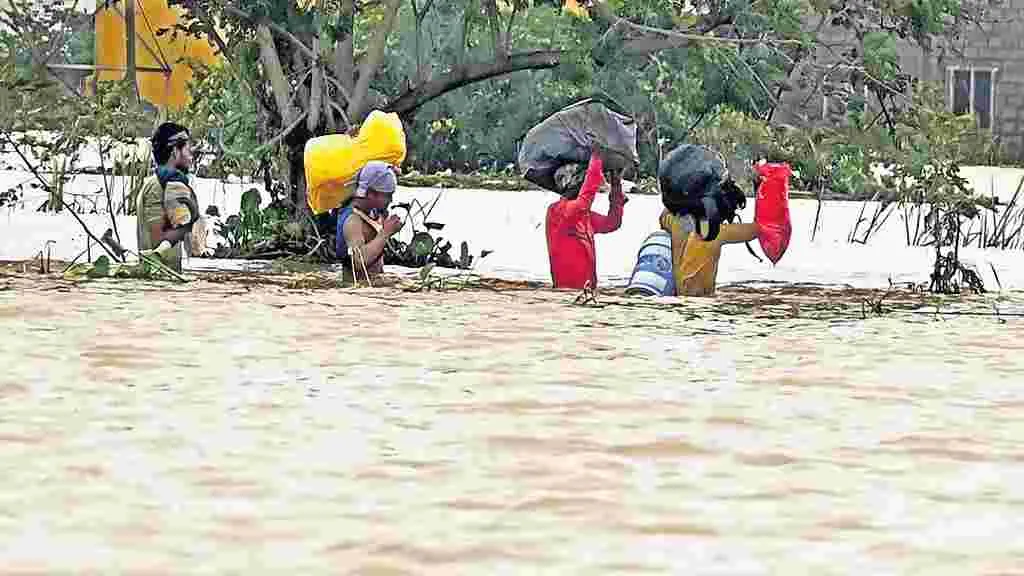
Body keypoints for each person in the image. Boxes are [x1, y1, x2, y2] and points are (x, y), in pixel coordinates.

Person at [545, 146, 627, 290]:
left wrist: (616, 185)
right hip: (566, 294)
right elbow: (586, 197)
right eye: (579, 180)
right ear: (568, 184)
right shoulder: (557, 211)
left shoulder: (583, 215)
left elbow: (612, 223)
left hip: (587, 291)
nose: (582, 184)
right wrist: (597, 155)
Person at [136, 122, 200, 273]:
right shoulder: (158, 186)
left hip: (165, 284)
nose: (191, 153)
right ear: (174, 152)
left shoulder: (165, 184)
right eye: (187, 148)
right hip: (162, 284)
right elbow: (157, 249)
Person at [337, 161, 403, 280]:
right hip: (357, 292)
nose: (391, 200)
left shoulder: (372, 213)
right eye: (387, 195)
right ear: (371, 194)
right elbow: (358, 262)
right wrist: (385, 233)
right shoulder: (353, 221)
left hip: (375, 285)